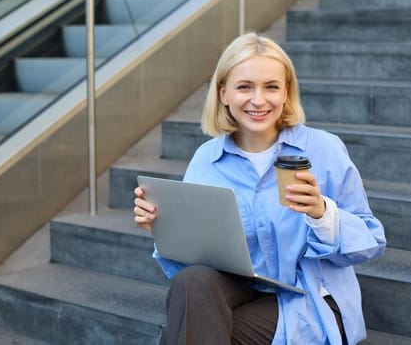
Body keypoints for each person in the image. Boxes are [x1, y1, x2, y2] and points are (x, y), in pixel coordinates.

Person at [133, 32, 386, 345]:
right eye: (244, 87)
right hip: (242, 289)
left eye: (271, 87)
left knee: (192, 330)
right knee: (191, 282)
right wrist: (162, 227)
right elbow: (195, 262)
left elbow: (372, 242)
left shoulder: (324, 150)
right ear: (223, 93)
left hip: (310, 300)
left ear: (286, 92)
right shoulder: (207, 160)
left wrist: (323, 215)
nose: (258, 100)